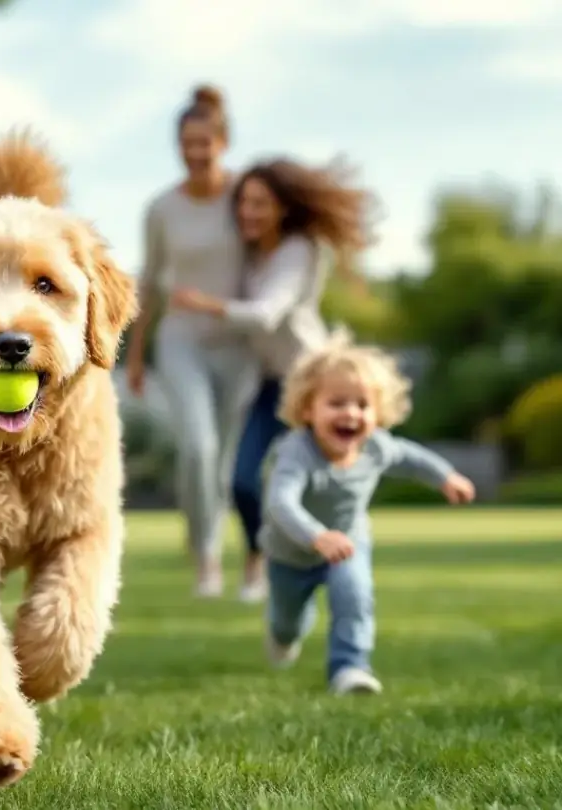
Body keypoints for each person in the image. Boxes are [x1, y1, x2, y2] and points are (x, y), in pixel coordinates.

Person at [165, 158, 370, 602]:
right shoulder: (254, 250)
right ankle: (257, 564)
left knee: (319, 483)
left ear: (283, 207)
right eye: (243, 203)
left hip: (313, 386)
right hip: (272, 385)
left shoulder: (299, 249)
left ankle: (334, 569)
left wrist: (204, 304)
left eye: (260, 204)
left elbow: (266, 314)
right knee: (242, 480)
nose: (247, 213)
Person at [260, 332, 476, 694]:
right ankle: (284, 635)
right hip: (291, 553)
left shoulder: (375, 447)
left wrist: (446, 477)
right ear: (307, 408)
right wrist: (316, 536)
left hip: (348, 541)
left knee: (355, 595)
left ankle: (349, 667)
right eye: (337, 403)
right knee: (287, 625)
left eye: (362, 405)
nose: (350, 413)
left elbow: (410, 457)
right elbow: (281, 502)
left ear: (378, 413)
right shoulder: (296, 452)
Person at [125, 85, 259, 598]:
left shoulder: (244, 198)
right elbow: (150, 281)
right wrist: (136, 355)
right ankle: (207, 558)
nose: (196, 153)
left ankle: (207, 531)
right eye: (187, 143)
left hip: (238, 345)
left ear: (224, 142)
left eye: (206, 143)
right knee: (198, 447)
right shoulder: (161, 208)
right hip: (181, 341)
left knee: (224, 460)